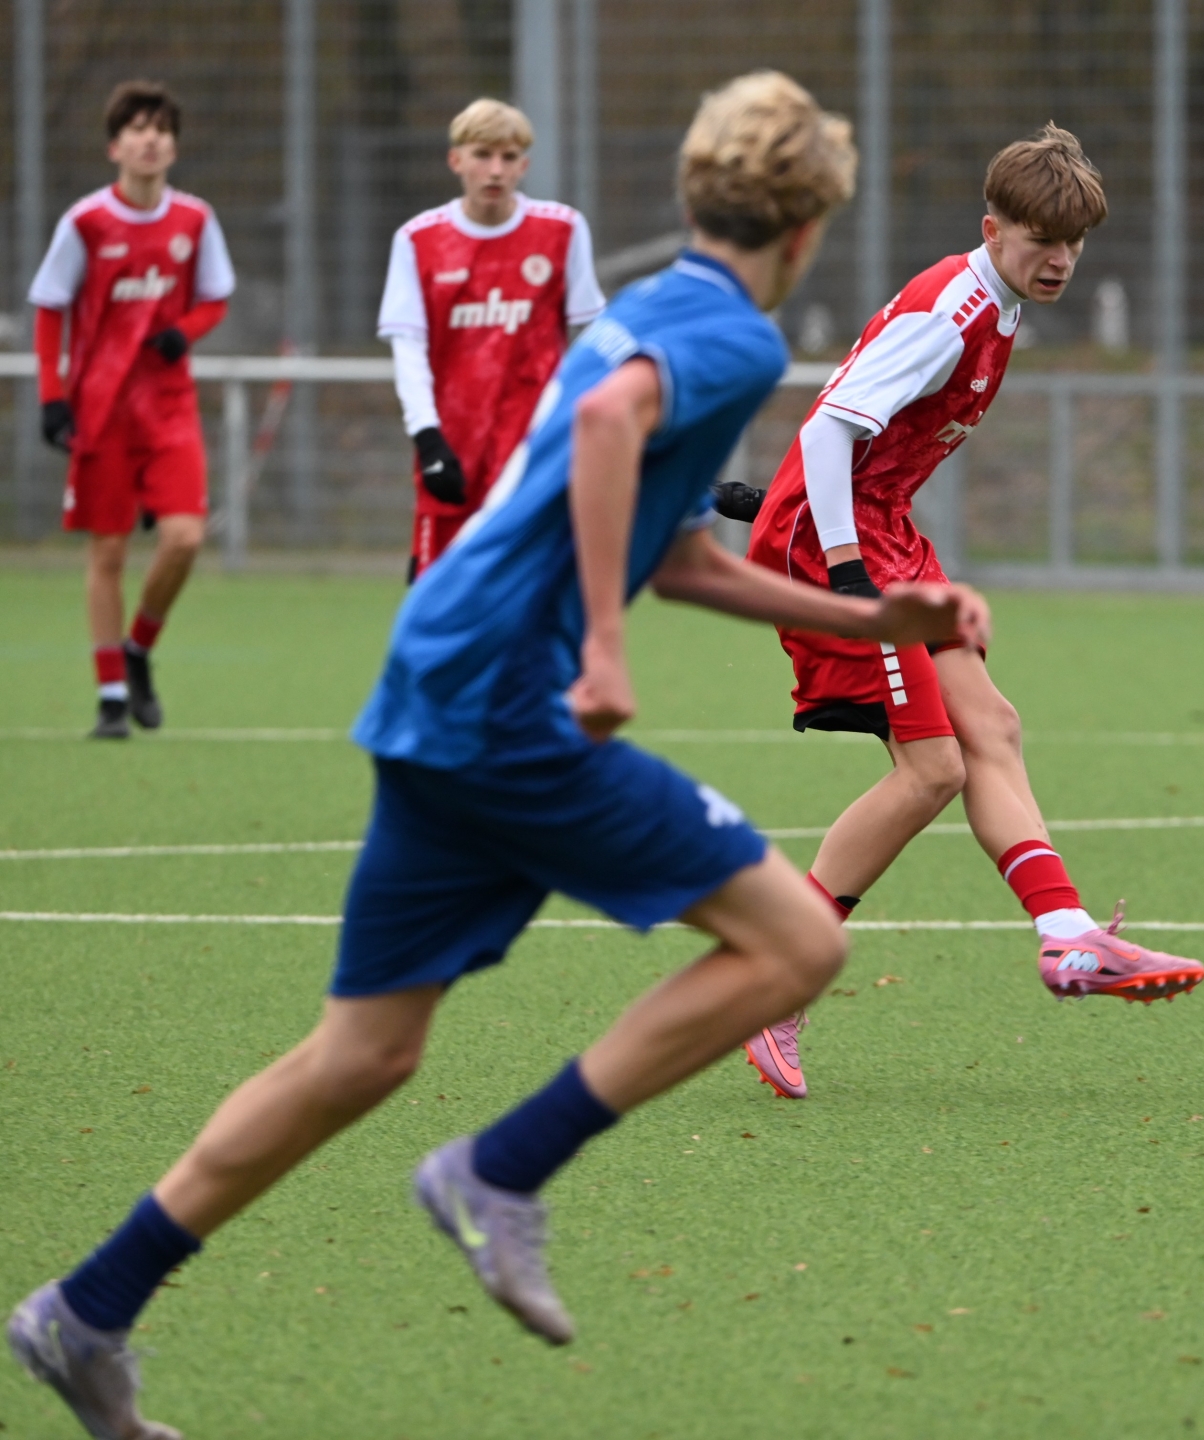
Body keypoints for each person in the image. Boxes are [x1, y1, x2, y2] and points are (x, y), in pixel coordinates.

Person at [7, 71, 987, 1439]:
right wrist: (603, 647)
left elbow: (680, 552)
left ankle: (87, 1309)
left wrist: (869, 618)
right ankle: (502, 1172)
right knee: (794, 943)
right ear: (811, 228)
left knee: (361, 1056)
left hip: (435, 678)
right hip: (511, 703)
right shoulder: (731, 338)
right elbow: (605, 429)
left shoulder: (656, 305)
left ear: (696, 193)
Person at [739, 124, 1204, 1101]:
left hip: (880, 533)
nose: (1060, 259)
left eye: (1073, 242)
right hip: (844, 554)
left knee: (992, 726)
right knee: (933, 770)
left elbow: (854, 425)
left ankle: (1068, 935)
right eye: (1042, 240)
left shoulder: (998, 304)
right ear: (994, 229)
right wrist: (845, 570)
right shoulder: (954, 311)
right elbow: (830, 431)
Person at [29, 80, 234, 739]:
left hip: (168, 409)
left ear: (174, 146)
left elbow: (215, 298)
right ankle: (112, 696)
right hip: (102, 410)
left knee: (185, 538)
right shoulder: (86, 222)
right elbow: (50, 308)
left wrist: (185, 332)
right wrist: (52, 398)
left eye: (162, 130)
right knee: (109, 550)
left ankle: (139, 647)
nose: (151, 141)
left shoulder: (194, 220)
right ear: (114, 146)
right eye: (138, 130)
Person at [377, 98, 605, 581]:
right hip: (453, 450)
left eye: (508, 157)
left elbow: (594, 339)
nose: (495, 169)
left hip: (537, 453)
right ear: (455, 160)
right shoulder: (418, 240)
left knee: (533, 593)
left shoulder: (561, 230)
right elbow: (408, 350)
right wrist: (427, 438)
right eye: (482, 155)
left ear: (524, 165)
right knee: (439, 598)